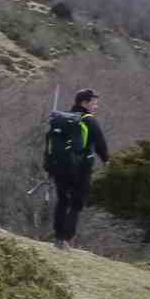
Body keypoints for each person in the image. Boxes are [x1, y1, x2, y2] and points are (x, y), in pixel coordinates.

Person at [53, 88, 109, 249]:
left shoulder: (62, 119)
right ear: (84, 103)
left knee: (63, 201)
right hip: (80, 169)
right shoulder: (89, 120)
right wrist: (106, 161)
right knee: (76, 203)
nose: (96, 107)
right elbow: (100, 144)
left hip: (59, 166)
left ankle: (58, 237)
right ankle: (66, 239)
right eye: (94, 103)